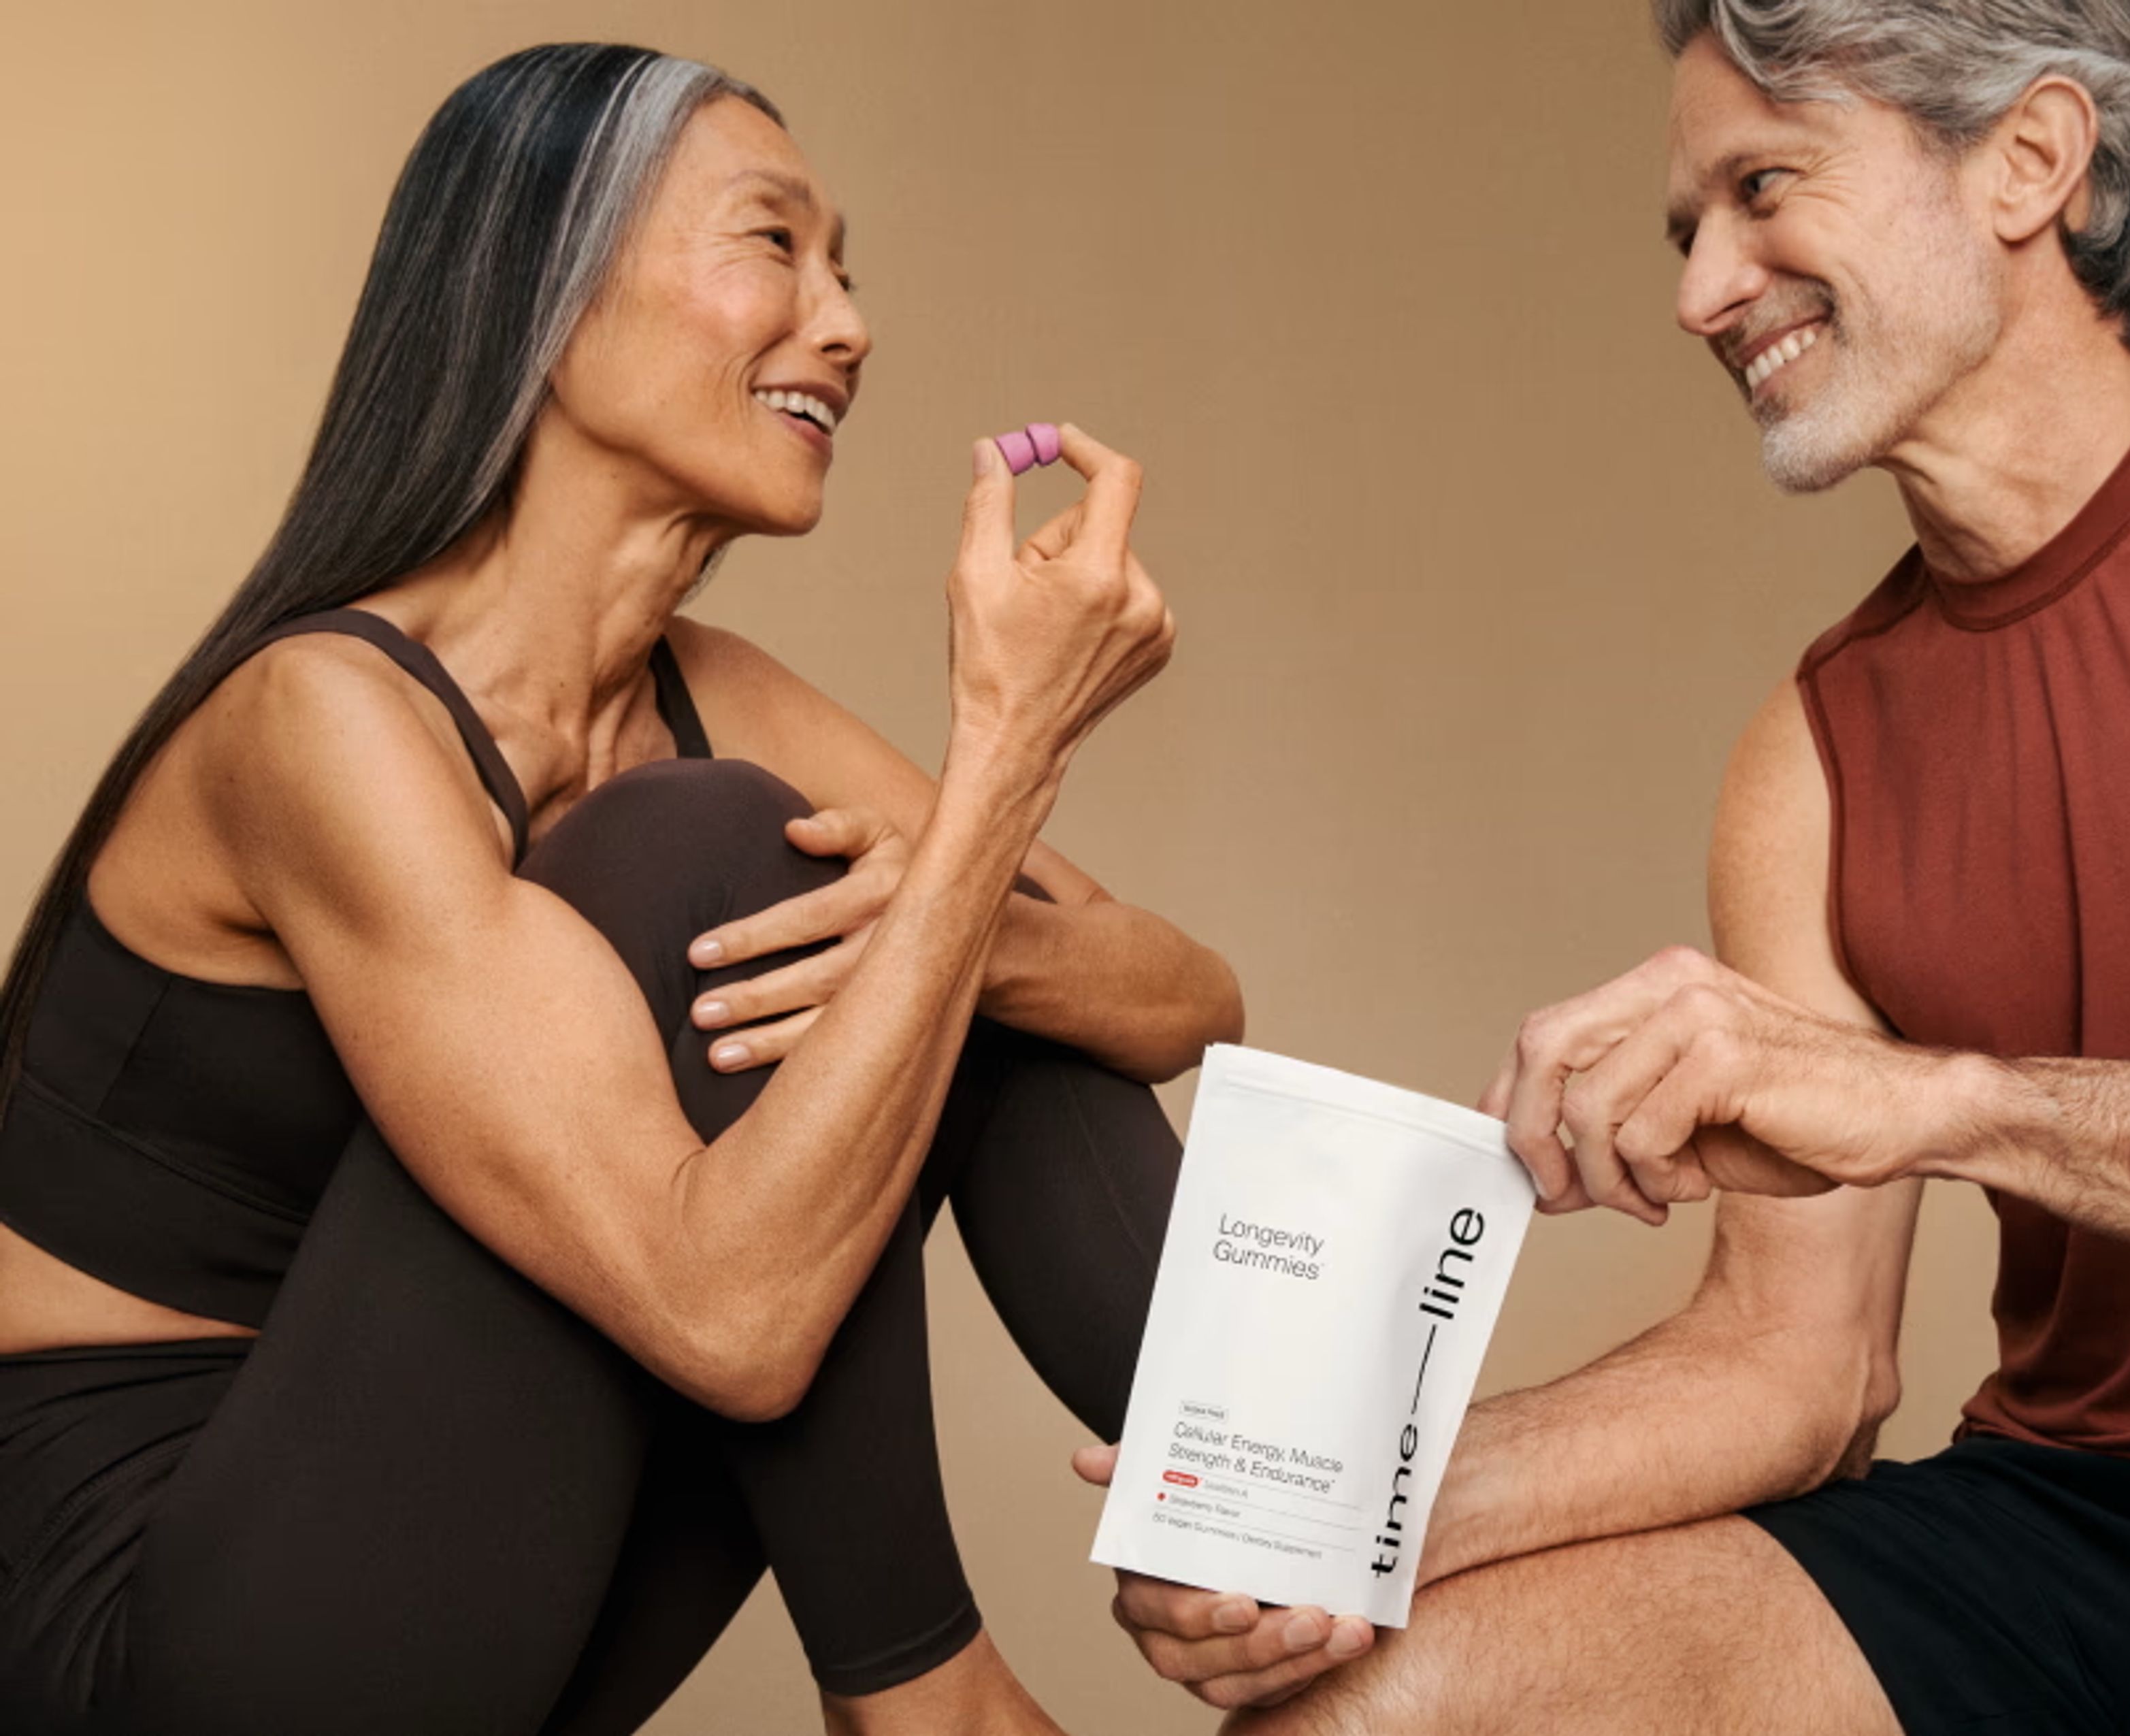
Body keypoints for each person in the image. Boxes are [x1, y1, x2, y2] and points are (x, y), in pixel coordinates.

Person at [1087, 1, 2130, 1729]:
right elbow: (1797, 1366)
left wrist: (1953, 1101)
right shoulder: (1810, 756)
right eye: (1687, 231)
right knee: (1372, 1707)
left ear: (2030, 161)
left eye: (1764, 190)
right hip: (2051, 1515)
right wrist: (1339, 1516)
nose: (1702, 292)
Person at [0, 42, 1236, 1736]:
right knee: (755, 861)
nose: (849, 322)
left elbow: (1182, 1001)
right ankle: (927, 1694)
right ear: (551, 295)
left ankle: (1287, 1534)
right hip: (150, 1619)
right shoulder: (321, 719)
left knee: (960, 955)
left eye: (848, 265)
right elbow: (731, 1320)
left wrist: (950, 911)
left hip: (479, 1562)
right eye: (774, 245)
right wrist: (995, 774)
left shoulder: (709, 683)